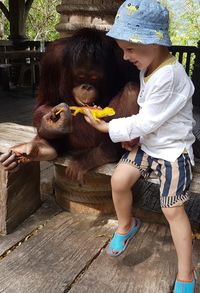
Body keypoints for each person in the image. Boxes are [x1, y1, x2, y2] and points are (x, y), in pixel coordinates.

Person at [84, 0, 197, 292]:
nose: (125, 56)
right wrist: (110, 116)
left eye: (130, 49)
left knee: (172, 209)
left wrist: (108, 127)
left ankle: (187, 273)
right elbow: (145, 120)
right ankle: (126, 225)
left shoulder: (170, 76)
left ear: (154, 41)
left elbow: (146, 121)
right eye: (123, 49)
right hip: (149, 146)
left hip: (173, 151)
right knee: (119, 180)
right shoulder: (148, 68)